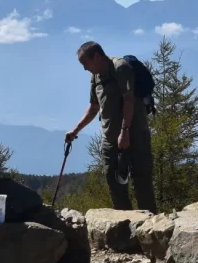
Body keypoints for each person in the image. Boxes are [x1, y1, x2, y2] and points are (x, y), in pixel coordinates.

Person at [64, 41, 157, 212]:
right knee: (114, 184)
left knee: (141, 182)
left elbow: (128, 101)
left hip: (135, 134)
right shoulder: (95, 77)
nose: (85, 68)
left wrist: (125, 131)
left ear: (97, 56)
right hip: (109, 138)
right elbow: (93, 107)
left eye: (85, 63)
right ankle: (124, 227)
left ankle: (151, 226)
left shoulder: (121, 68)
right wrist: (75, 130)